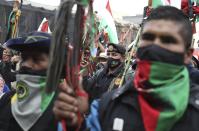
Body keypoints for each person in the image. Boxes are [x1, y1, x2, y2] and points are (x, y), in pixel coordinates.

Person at [53, 6, 199, 131]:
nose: (155, 46)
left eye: (168, 41)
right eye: (148, 38)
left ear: (187, 54)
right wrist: (74, 124)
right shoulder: (107, 106)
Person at [0, 31, 88, 131]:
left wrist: (75, 125)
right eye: (24, 58)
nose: (26, 64)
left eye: (36, 59)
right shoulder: (7, 100)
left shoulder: (64, 107)